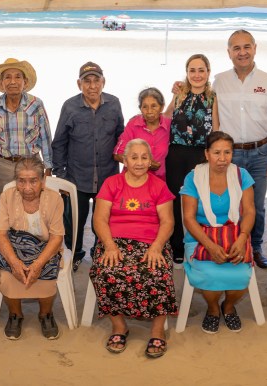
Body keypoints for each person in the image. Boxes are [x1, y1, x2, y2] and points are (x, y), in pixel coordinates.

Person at [90, 139, 176, 359]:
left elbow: (168, 222)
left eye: (144, 157)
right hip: (115, 240)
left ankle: (157, 330)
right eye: (134, 157)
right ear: (125, 160)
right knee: (106, 271)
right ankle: (119, 326)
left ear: (151, 161)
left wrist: (157, 247)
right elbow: (99, 219)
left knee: (158, 272)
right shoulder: (111, 183)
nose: (139, 162)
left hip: (151, 242)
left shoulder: (159, 186)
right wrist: (109, 246)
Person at [213, 29, 267, 269]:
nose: (242, 52)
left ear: (255, 48)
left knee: (256, 206)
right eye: (236, 48)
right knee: (229, 203)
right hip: (229, 154)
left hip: (260, 153)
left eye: (246, 47)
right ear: (229, 52)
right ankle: (230, 245)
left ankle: (255, 247)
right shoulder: (219, 81)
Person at [51, 61, 125, 270]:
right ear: (79, 84)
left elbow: (122, 135)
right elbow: (59, 142)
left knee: (102, 221)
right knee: (73, 220)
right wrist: (61, 176)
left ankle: (99, 254)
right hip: (76, 178)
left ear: (103, 82)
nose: (92, 86)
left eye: (96, 81)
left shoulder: (114, 103)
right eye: (87, 81)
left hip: (108, 177)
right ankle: (74, 255)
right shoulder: (70, 106)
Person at [181, 131, 256, 334]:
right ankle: (213, 309)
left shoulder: (242, 176)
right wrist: (210, 245)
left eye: (227, 153)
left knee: (241, 276)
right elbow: (189, 218)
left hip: (234, 235)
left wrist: (242, 238)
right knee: (209, 273)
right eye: (216, 153)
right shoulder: (193, 177)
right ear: (206, 154)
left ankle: (228, 306)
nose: (222, 159)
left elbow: (249, 211)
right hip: (200, 238)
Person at [0, 156, 65, 340]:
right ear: (15, 181)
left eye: (33, 181)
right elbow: (1, 234)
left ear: (42, 180)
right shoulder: (7, 196)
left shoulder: (54, 198)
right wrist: (15, 263)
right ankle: (15, 314)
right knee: (7, 271)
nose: (27, 188)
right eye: (21, 181)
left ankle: (45, 314)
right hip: (15, 244)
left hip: (45, 246)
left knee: (48, 270)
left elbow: (57, 237)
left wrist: (38, 264)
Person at [165, 54, 218, 264]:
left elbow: (216, 127)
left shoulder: (213, 97)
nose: (197, 75)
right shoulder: (179, 94)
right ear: (187, 73)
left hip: (200, 154)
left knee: (199, 200)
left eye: (201, 70)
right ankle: (176, 246)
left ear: (208, 72)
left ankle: (199, 244)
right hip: (176, 154)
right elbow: (166, 118)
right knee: (176, 200)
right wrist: (172, 96)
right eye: (192, 70)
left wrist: (215, 156)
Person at [0, 58, 52, 202]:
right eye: (7, 77)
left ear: (25, 82)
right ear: (1, 83)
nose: (13, 81)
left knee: (33, 205)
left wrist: (48, 169)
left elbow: (45, 137)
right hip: (2, 165)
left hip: (31, 163)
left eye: (18, 77)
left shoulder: (36, 104)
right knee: (3, 205)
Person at [114, 88, 170, 181]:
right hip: (132, 180)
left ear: (162, 107)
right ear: (140, 108)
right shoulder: (133, 124)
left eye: (154, 106)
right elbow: (117, 154)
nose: (149, 111)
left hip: (159, 182)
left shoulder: (169, 125)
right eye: (145, 107)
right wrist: (147, 163)